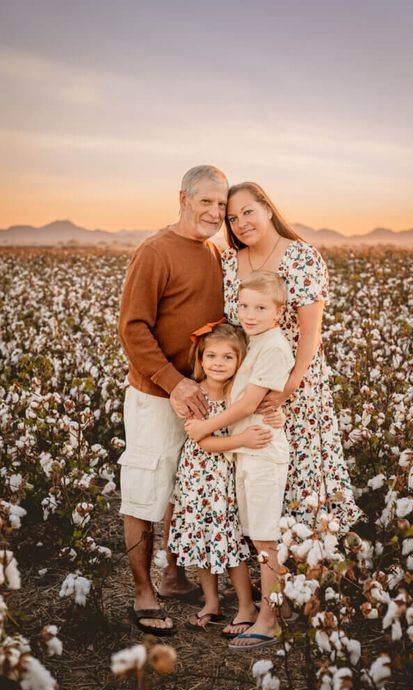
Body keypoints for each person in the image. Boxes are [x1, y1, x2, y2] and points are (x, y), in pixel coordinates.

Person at [118, 165, 228, 635]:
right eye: (206, 201)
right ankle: (143, 593)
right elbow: (133, 327)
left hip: (200, 394)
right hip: (155, 394)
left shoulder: (214, 253)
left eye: (221, 204)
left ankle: (173, 574)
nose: (214, 211)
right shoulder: (155, 251)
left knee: (183, 489)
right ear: (182, 198)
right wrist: (174, 382)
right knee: (146, 491)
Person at [222, 181, 364, 533]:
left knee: (297, 461)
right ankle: (262, 556)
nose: (241, 223)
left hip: (293, 377)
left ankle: (304, 550)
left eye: (248, 212)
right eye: (232, 218)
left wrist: (289, 386)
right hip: (245, 378)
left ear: (268, 209)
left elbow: (310, 332)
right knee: (249, 461)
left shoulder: (301, 256)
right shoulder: (229, 261)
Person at [185, 272, 295, 650]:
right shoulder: (252, 339)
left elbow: (248, 404)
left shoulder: (275, 345)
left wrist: (203, 429)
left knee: (265, 538)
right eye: (244, 305)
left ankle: (269, 619)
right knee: (256, 534)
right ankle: (280, 605)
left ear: (278, 312)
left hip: (262, 451)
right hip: (246, 450)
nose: (249, 313)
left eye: (261, 307)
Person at [168, 322, 270, 635]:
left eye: (228, 358)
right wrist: (242, 441)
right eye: (211, 356)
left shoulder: (239, 394)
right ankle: (211, 602)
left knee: (230, 542)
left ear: (240, 362)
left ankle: (245, 607)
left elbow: (260, 411)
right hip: (198, 478)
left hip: (224, 483)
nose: (218, 363)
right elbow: (204, 442)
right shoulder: (193, 394)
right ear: (200, 358)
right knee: (201, 539)